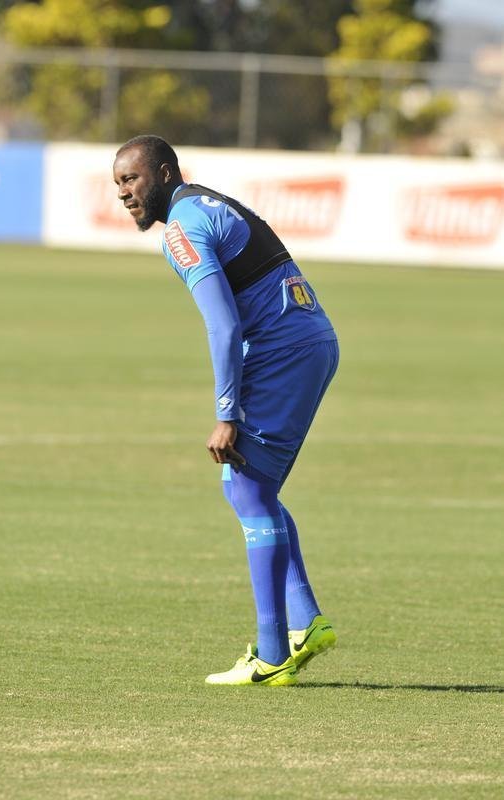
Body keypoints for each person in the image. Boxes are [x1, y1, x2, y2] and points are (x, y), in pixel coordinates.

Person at [113, 135, 339, 686]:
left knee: (247, 490)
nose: (124, 193)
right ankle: (305, 623)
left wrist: (226, 411)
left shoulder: (182, 230)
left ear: (165, 174)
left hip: (286, 349)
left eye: (132, 179)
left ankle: (271, 654)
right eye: (117, 184)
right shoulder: (208, 202)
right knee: (251, 488)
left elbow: (224, 324)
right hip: (308, 339)